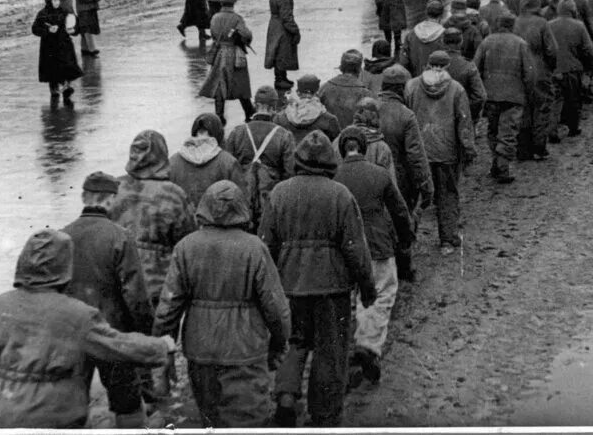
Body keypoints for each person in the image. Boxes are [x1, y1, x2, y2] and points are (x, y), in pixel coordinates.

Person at [0, 229, 175, 429]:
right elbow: (119, 347)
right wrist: (161, 346)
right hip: (56, 418)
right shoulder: (77, 314)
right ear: (65, 268)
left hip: (2, 416)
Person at [260, 132, 377, 428]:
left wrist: (266, 288)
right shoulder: (340, 194)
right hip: (332, 288)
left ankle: (286, 396)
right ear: (329, 160)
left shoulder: (279, 193)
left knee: (293, 342)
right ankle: (323, 413)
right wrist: (366, 286)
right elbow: (355, 248)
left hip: (290, 284)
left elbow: (267, 243)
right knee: (330, 349)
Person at [154, 180, 291, 428]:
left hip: (200, 350)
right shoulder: (254, 248)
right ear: (242, 209)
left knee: (210, 419)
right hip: (245, 351)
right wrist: (279, 344)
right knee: (248, 422)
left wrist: (165, 350)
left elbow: (169, 306)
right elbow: (276, 307)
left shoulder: (186, 247)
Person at [61, 172, 155, 429]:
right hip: (112, 335)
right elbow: (135, 296)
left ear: (83, 197)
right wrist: (145, 333)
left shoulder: (61, 236)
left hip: (72, 334)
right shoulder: (120, 236)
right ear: (112, 201)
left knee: (71, 403)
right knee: (127, 401)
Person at [332, 127, 414, 388]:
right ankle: (367, 345)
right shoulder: (379, 174)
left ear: (343, 148)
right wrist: (405, 238)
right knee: (382, 293)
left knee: (350, 297)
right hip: (378, 244)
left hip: (344, 248)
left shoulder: (333, 177)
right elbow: (399, 210)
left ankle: (349, 347)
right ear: (364, 148)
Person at [112, 130, 196, 310]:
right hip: (160, 286)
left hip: (119, 283)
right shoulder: (174, 194)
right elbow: (189, 245)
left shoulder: (115, 188)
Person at [405, 50, 476, 255]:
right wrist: (469, 150)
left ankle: (410, 240)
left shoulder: (411, 86)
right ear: (446, 67)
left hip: (420, 153)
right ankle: (447, 240)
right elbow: (464, 124)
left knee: (415, 198)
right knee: (448, 196)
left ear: (427, 65)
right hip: (447, 153)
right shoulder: (456, 89)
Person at [376, 64, 433, 280]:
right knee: (403, 220)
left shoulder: (370, 108)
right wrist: (426, 184)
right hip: (401, 179)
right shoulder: (406, 115)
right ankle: (404, 267)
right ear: (402, 89)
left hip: (373, 171)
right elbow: (416, 156)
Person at [473, 11, 534, 183]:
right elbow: (530, 73)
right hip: (514, 96)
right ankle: (502, 167)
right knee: (508, 132)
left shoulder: (486, 42)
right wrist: (527, 93)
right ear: (512, 25)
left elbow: (475, 69)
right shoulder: (521, 44)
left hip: (491, 95)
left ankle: (496, 162)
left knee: (492, 130)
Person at [225, 85, 297, 224]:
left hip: (242, 201)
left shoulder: (237, 133)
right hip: (271, 201)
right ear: (274, 107)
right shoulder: (284, 135)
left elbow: (228, 170)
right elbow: (290, 173)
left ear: (255, 105)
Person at [168, 112, 247, 212]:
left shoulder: (173, 162)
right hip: (218, 224)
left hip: (183, 225)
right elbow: (241, 202)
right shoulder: (228, 162)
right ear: (219, 135)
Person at [513, 0, 559, 160]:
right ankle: (539, 147)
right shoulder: (542, 23)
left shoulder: (515, 23)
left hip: (520, 73)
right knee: (542, 108)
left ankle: (523, 149)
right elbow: (551, 50)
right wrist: (550, 68)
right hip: (540, 71)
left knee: (523, 109)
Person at [199, 0, 255, 126]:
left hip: (219, 53)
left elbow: (212, 33)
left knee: (219, 84)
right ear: (234, 3)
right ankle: (249, 112)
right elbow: (246, 35)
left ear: (221, 2)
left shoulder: (215, 17)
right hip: (235, 54)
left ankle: (219, 115)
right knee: (240, 84)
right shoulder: (237, 18)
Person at [548, 0, 593, 138]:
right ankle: (573, 128)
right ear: (572, 10)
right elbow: (588, 49)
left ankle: (552, 129)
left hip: (554, 69)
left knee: (555, 101)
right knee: (573, 100)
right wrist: (590, 66)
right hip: (573, 69)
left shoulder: (549, 25)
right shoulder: (579, 26)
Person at [32, 0, 83, 103]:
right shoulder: (43, 14)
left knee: (67, 66)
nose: (57, 3)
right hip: (50, 46)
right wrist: (48, 30)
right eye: (55, 0)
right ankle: (54, 89)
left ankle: (66, 87)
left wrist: (73, 30)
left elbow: (74, 25)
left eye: (58, 0)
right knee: (53, 68)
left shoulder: (64, 12)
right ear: (49, 1)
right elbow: (35, 29)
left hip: (64, 44)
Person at [264, 0, 300, 100]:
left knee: (277, 50)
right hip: (281, 27)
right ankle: (280, 79)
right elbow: (286, 17)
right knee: (281, 52)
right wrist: (295, 30)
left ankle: (282, 77)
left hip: (274, 24)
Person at [275, 75, 342, 144]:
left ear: (298, 92)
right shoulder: (330, 120)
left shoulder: (280, 118)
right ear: (317, 93)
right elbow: (336, 146)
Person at [320, 49, 375, 129]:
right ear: (359, 69)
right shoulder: (366, 94)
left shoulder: (324, 88)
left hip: (329, 138)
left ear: (341, 68)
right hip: (354, 139)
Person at [441, 27, 487, 122]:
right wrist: (467, 111)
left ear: (443, 42)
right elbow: (480, 96)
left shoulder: (433, 64)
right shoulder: (468, 66)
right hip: (463, 117)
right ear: (461, 42)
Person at [400, 0, 446, 77]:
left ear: (426, 13)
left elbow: (404, 61)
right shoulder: (445, 36)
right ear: (441, 15)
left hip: (416, 80)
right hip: (437, 81)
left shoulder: (412, 34)